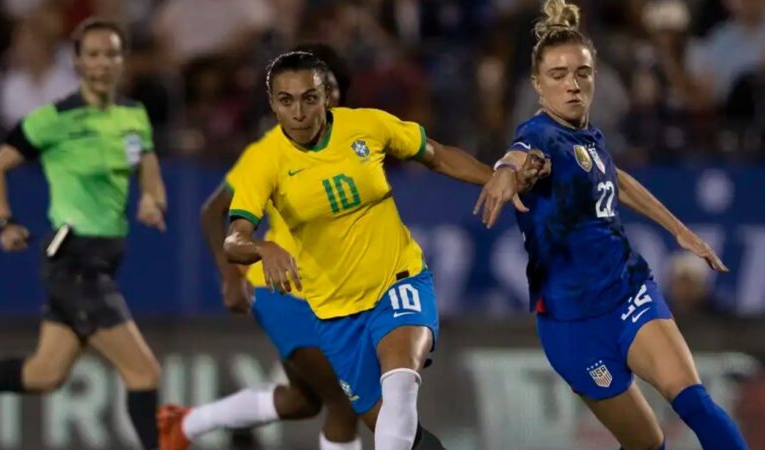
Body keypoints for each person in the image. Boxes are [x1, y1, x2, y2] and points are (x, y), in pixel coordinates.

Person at [221, 50, 546, 450]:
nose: (299, 112)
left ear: (326, 96)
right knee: (402, 438)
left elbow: (438, 157)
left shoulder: (367, 126)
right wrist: (262, 247)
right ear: (273, 104)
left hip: (398, 280)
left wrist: (499, 177)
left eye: (309, 98)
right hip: (335, 313)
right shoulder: (265, 162)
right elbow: (233, 240)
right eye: (286, 101)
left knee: (401, 382)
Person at [473, 1, 749, 449]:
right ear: (538, 85)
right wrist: (506, 170)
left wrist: (677, 228)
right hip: (573, 325)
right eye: (558, 75)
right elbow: (522, 154)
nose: (573, 85)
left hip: (630, 293)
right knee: (647, 444)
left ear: (594, 76)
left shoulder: (590, 135)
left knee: (696, 402)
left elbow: (614, 178)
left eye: (582, 72)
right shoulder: (542, 135)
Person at [0, 18, 165, 450]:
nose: (101, 63)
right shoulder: (53, 120)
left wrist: (153, 198)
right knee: (144, 372)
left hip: (102, 262)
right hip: (75, 263)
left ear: (121, 60)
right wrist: (5, 221)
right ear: (77, 61)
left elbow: (146, 160)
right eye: (92, 54)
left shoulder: (133, 115)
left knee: (45, 375)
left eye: (110, 53)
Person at [157, 43, 362, 450]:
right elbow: (212, 212)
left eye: (330, 92)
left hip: (330, 296)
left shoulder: (355, 145)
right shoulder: (272, 149)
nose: (323, 101)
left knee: (304, 400)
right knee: (343, 401)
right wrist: (230, 274)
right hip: (282, 291)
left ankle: (186, 424)